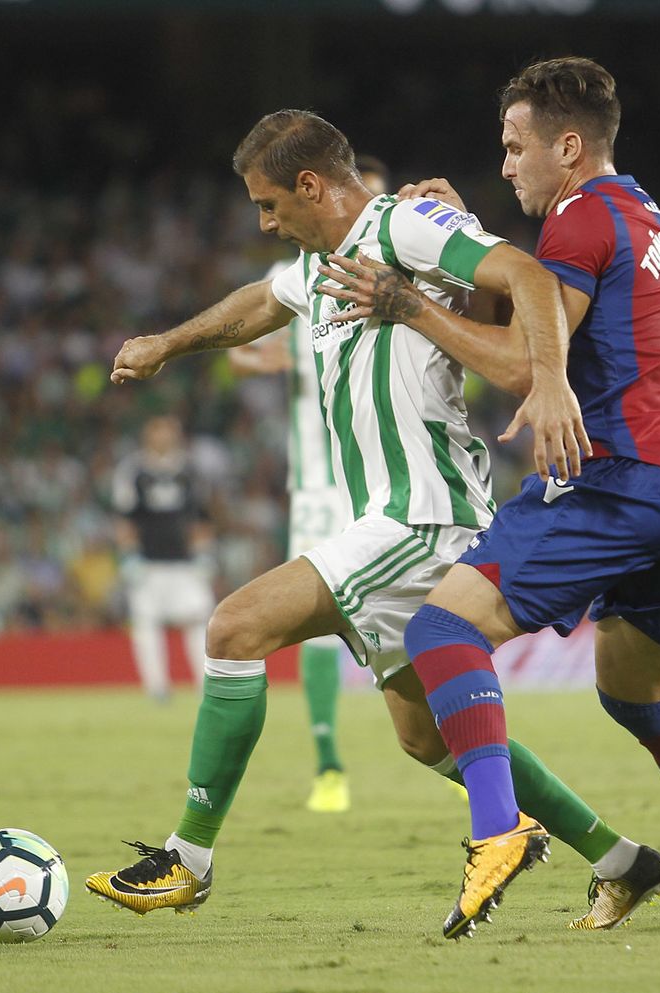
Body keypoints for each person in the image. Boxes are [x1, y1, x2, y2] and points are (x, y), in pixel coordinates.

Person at [85, 109, 660, 933]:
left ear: (311, 184)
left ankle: (189, 858)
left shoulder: (406, 226)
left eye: (268, 203)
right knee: (426, 739)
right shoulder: (317, 263)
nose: (264, 220)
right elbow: (260, 302)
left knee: (233, 627)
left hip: (422, 515)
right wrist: (166, 343)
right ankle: (622, 858)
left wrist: (548, 379)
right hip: (396, 519)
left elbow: (526, 276)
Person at [318, 57, 660, 937]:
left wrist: (406, 301)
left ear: (567, 147)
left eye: (514, 146)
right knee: (638, 693)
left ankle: (497, 830)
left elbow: (517, 363)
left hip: (622, 474)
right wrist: (472, 236)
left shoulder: (577, 222)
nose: (506, 164)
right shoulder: (637, 208)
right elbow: (555, 317)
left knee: (440, 627)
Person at [226, 156, 392, 814]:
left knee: (429, 619)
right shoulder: (296, 275)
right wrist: (285, 349)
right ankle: (329, 762)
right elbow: (242, 347)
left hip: (396, 478)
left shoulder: (402, 260)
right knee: (320, 625)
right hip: (324, 483)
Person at [110, 414, 212, 701]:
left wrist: (204, 553)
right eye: (159, 432)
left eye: (169, 432)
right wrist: (129, 555)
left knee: (198, 621)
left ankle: (205, 684)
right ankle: (157, 688)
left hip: (185, 563)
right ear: (148, 436)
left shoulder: (189, 470)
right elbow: (124, 517)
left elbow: (201, 517)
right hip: (148, 563)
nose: (165, 438)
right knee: (146, 624)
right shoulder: (133, 471)